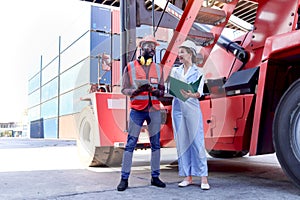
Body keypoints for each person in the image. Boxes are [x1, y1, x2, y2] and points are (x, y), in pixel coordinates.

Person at [117, 35, 166, 191]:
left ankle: (155, 177)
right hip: (137, 110)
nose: (152, 49)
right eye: (149, 46)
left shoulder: (159, 68)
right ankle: (124, 179)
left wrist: (158, 92)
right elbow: (124, 89)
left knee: (156, 144)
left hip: (154, 110)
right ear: (141, 47)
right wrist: (136, 90)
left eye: (154, 47)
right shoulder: (130, 67)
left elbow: (162, 90)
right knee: (130, 144)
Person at [170, 40, 210, 190]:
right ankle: (188, 177)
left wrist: (191, 94)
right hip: (178, 107)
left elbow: (199, 92)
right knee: (183, 142)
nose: (179, 55)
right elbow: (172, 89)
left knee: (197, 141)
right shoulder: (175, 71)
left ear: (190, 53)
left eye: (182, 52)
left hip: (192, 105)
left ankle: (204, 177)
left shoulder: (198, 72)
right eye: (179, 52)